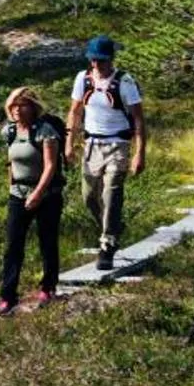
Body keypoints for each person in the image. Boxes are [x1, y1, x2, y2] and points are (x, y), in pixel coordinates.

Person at [66, 34, 146, 272]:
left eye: (100, 61)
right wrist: (69, 142)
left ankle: (107, 244)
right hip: (91, 145)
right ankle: (112, 225)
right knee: (89, 196)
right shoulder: (83, 79)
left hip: (118, 145)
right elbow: (75, 112)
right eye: (92, 60)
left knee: (111, 193)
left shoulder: (125, 82)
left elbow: (139, 119)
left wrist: (139, 153)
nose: (96, 65)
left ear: (110, 59)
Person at [0, 86, 64, 313]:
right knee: (13, 245)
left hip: (46, 196)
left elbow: (51, 166)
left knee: (47, 242)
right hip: (18, 194)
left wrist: (38, 194)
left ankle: (48, 287)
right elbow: (11, 163)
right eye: (13, 105)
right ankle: (7, 296)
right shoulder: (10, 132)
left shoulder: (45, 131)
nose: (16, 109)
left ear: (32, 108)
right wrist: (11, 188)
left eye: (21, 105)